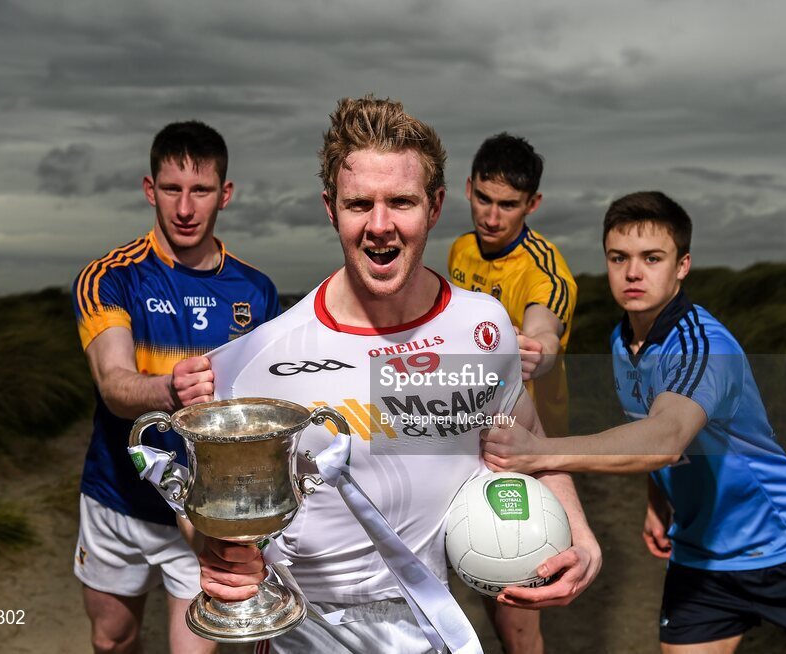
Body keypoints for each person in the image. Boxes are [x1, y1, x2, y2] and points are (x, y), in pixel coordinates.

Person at [193, 96, 602, 654]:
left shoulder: (481, 327)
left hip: (431, 629)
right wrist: (214, 551)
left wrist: (577, 531)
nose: (380, 226)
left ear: (434, 207)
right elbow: (199, 501)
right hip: (305, 634)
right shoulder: (255, 360)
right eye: (359, 203)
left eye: (401, 202)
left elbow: (528, 447)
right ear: (330, 208)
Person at [482, 191, 786, 653]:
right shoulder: (624, 339)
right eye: (618, 257)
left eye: (652, 258)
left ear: (682, 265)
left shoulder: (702, 345)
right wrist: (657, 500)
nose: (633, 272)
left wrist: (538, 451)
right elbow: (647, 423)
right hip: (702, 556)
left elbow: (666, 437)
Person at [71, 120, 280, 654]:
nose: (185, 209)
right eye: (172, 189)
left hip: (201, 511)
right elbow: (115, 385)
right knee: (112, 639)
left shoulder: (256, 292)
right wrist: (170, 389)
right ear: (150, 190)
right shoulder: (110, 277)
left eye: (201, 190)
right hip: (118, 500)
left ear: (225, 195)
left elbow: (264, 410)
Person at [446, 133, 578, 653]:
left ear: (533, 204)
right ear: (468, 189)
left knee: (514, 612)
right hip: (466, 433)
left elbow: (544, 331)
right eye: (483, 198)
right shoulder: (459, 247)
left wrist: (537, 350)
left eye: (508, 205)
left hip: (526, 452)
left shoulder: (547, 270)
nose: (492, 217)